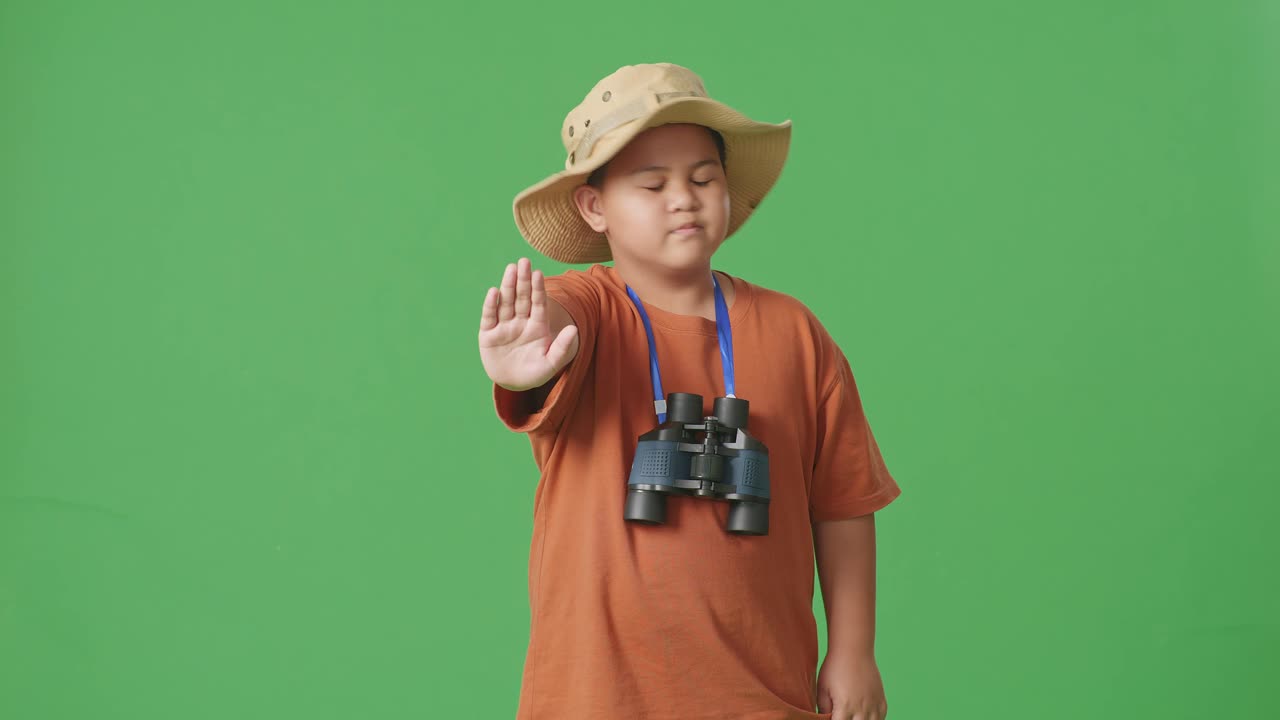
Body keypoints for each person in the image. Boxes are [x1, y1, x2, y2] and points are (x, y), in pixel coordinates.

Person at [477, 62, 901, 720]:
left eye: (704, 178)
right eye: (653, 184)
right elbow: (557, 325)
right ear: (595, 207)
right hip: (597, 697)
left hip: (760, 692)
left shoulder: (794, 333)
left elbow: (843, 502)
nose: (684, 197)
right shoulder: (588, 307)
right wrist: (525, 354)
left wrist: (853, 651)